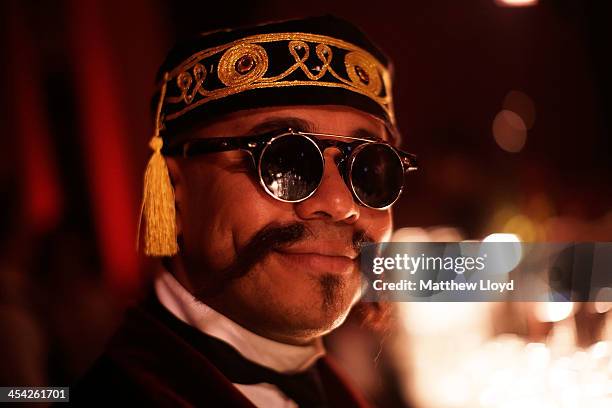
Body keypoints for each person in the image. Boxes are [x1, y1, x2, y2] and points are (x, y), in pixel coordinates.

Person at [72, 15, 417, 407]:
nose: (339, 205)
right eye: (285, 162)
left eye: (370, 168)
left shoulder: (336, 389)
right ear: (173, 190)